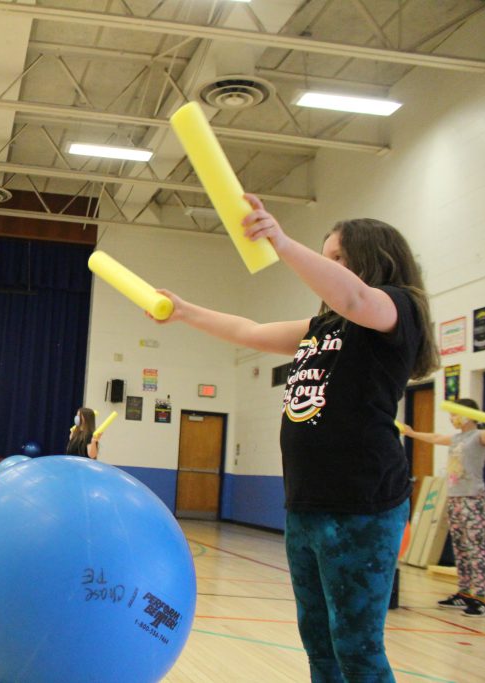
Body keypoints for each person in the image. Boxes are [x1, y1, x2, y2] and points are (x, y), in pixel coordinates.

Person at [152, 195, 438, 682]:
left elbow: (356, 299)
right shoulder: (322, 326)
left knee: (357, 647)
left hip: (362, 505)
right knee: (319, 643)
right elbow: (250, 330)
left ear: (371, 259)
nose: (327, 268)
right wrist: (185, 312)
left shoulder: (395, 311)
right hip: (307, 503)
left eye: (336, 259)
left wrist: (281, 242)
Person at [401, 398, 485, 618]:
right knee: (461, 548)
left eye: (455, 414)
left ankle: (481, 598)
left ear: (467, 415)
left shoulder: (478, 436)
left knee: (474, 548)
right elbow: (436, 438)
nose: (452, 419)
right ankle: (464, 593)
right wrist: (412, 433)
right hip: (455, 498)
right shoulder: (457, 438)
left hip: (472, 498)